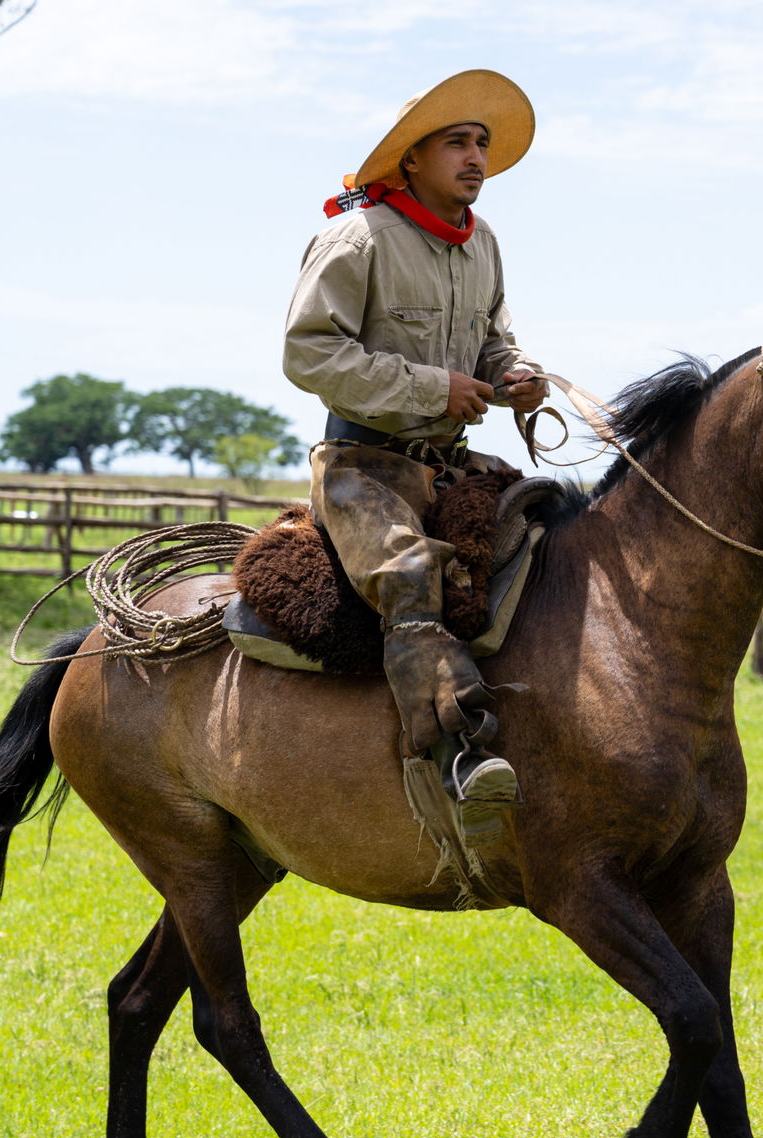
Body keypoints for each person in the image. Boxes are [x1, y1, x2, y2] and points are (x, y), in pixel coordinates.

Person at [283, 70, 544, 840]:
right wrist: (436, 388)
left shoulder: (483, 243)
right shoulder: (356, 239)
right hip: (363, 468)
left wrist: (514, 374)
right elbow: (307, 353)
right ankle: (457, 755)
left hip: (449, 465)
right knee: (409, 575)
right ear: (411, 160)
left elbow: (496, 338)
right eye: (457, 143)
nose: (475, 158)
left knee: (549, 543)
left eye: (482, 144)